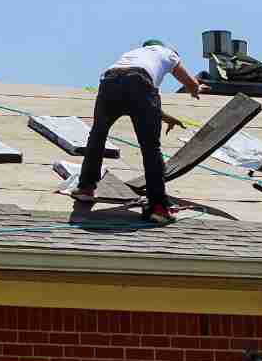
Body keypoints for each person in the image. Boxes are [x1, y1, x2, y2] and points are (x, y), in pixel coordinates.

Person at [76, 40, 203, 224]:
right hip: (140, 82)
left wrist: (164, 116)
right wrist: (196, 88)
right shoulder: (168, 53)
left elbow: (133, 95)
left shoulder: (133, 54)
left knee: (97, 135)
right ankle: (158, 207)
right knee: (151, 147)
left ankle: (85, 188)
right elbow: (187, 83)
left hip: (110, 81)